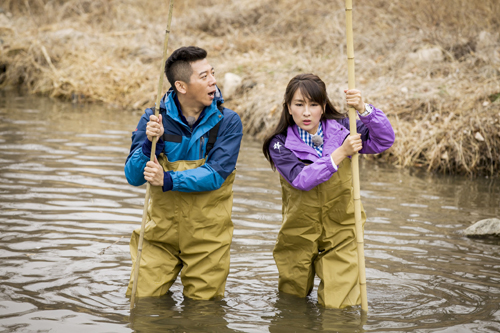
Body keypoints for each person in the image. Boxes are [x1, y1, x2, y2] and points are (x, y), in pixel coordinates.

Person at [262, 73, 395, 308]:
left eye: (313, 104)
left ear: (323, 106)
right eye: (299, 104)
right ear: (288, 107)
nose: (306, 112)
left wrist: (364, 109)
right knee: (291, 303)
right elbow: (302, 179)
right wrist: (340, 153)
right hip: (298, 232)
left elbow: (384, 140)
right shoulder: (278, 143)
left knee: (338, 308)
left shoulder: (345, 127)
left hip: (342, 229)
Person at [124, 46, 243, 300]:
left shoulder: (228, 122)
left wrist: (167, 179)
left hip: (207, 239)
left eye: (212, 73)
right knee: (142, 305)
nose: (213, 81)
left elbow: (215, 175)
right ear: (181, 86)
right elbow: (133, 177)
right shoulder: (154, 118)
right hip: (158, 235)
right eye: (204, 76)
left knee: (204, 315)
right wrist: (149, 145)